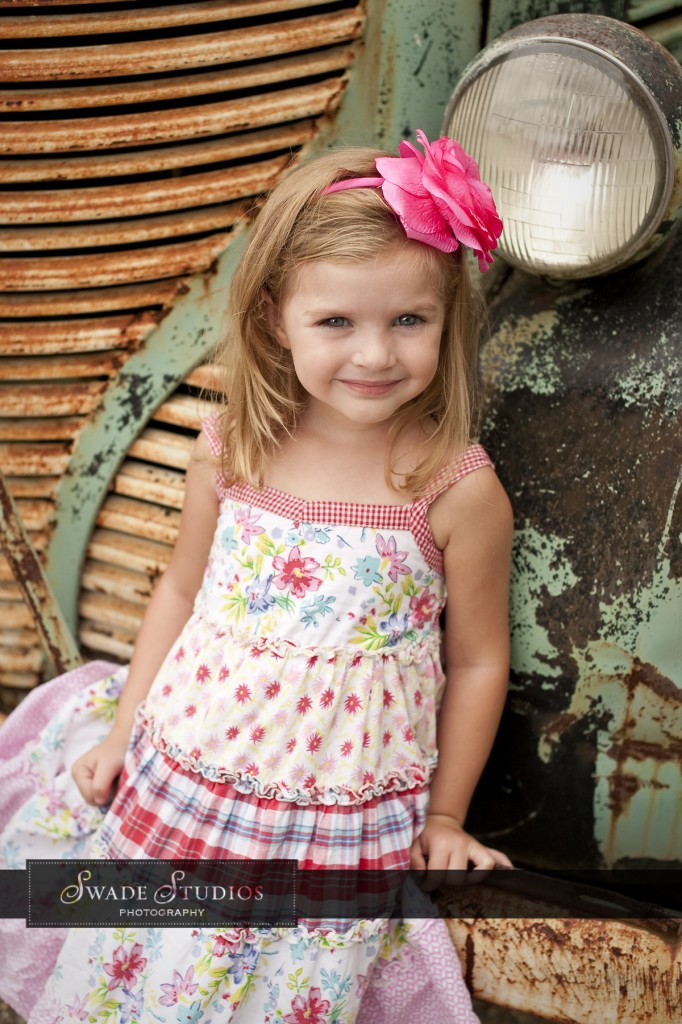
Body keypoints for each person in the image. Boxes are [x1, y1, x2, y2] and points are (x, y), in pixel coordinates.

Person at [0, 130, 513, 1023]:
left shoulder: (454, 487)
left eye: (408, 321)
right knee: (146, 976)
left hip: (330, 814)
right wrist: (123, 732)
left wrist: (444, 817)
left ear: (447, 318)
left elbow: (476, 661)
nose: (374, 355)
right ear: (276, 316)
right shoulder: (234, 447)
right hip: (188, 768)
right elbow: (179, 590)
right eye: (336, 322)